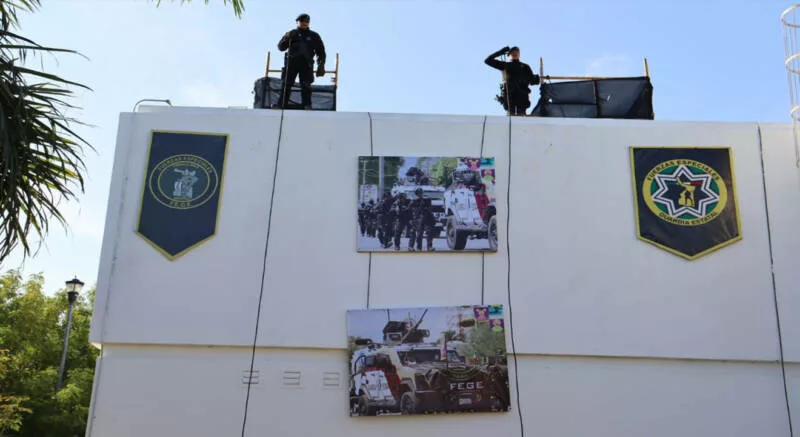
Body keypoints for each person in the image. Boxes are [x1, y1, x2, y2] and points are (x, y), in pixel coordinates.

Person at [277, 13, 327, 109]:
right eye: (302, 21)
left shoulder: (314, 36)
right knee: (287, 83)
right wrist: (287, 37)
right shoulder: (292, 33)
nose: (304, 23)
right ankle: (281, 104)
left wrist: (321, 64)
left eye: (306, 22)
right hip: (292, 63)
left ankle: (307, 105)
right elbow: (281, 47)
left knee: (306, 85)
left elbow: (320, 51)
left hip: (306, 64)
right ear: (297, 22)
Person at [484, 46, 540, 116]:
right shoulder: (505, 65)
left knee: (521, 118)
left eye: (516, 52)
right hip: (509, 99)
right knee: (511, 119)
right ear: (509, 55)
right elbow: (487, 61)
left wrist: (537, 79)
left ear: (519, 54)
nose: (515, 53)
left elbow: (532, 81)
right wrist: (500, 52)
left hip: (522, 99)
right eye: (512, 52)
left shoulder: (525, 67)